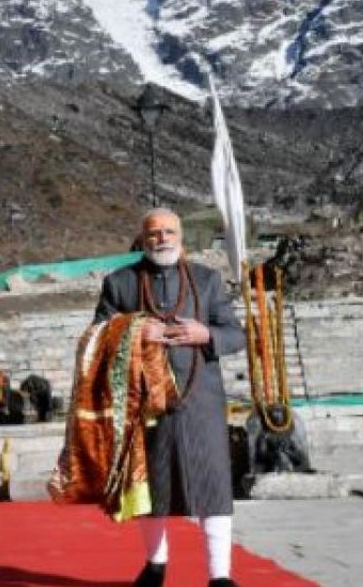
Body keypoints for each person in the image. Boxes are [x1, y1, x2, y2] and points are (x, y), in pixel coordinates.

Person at [94, 207, 245, 587]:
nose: (161, 238)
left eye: (168, 231)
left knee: (213, 483)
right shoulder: (121, 283)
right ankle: (155, 565)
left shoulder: (207, 281)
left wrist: (204, 334)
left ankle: (220, 575)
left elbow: (236, 334)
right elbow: (98, 334)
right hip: (147, 402)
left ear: (181, 236)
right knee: (153, 485)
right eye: (153, 233)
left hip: (202, 401)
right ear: (142, 240)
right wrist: (135, 331)